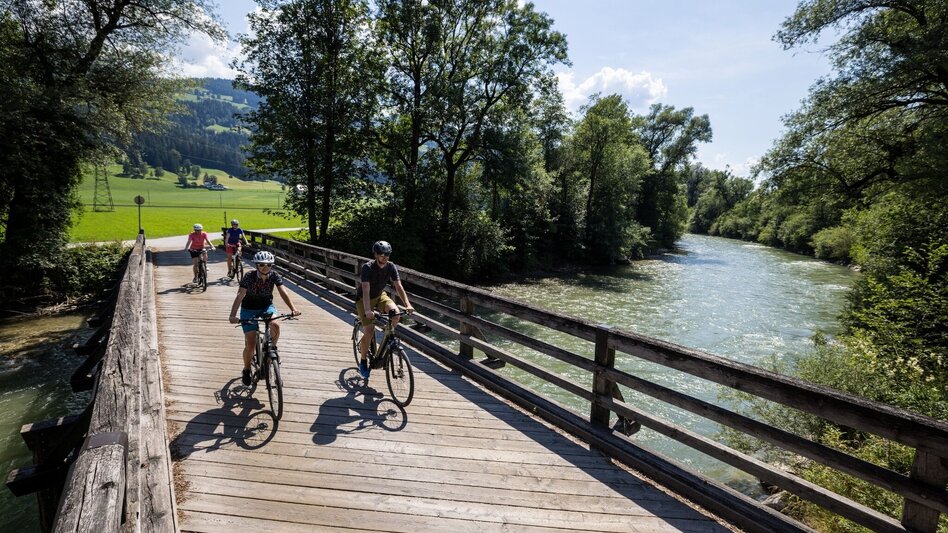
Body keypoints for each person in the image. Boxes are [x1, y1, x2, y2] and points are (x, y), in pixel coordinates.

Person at [228, 250, 301, 386]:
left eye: (268, 265)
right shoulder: (249, 276)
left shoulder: (274, 276)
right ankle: (246, 369)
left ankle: (272, 349)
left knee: (276, 325)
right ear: (256, 265)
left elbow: (283, 291)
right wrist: (233, 315)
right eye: (261, 265)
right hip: (248, 309)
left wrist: (293, 309)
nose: (265, 267)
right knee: (250, 344)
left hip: (266, 306)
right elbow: (240, 295)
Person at [356, 240, 414, 379]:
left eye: (387, 254)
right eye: (382, 254)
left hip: (380, 295)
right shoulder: (367, 268)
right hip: (364, 299)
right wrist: (368, 310)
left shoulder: (391, 266)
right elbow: (365, 289)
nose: (385, 257)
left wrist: (407, 304)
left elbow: (398, 286)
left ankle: (386, 339)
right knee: (369, 331)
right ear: (375, 254)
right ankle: (363, 362)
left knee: (395, 314)